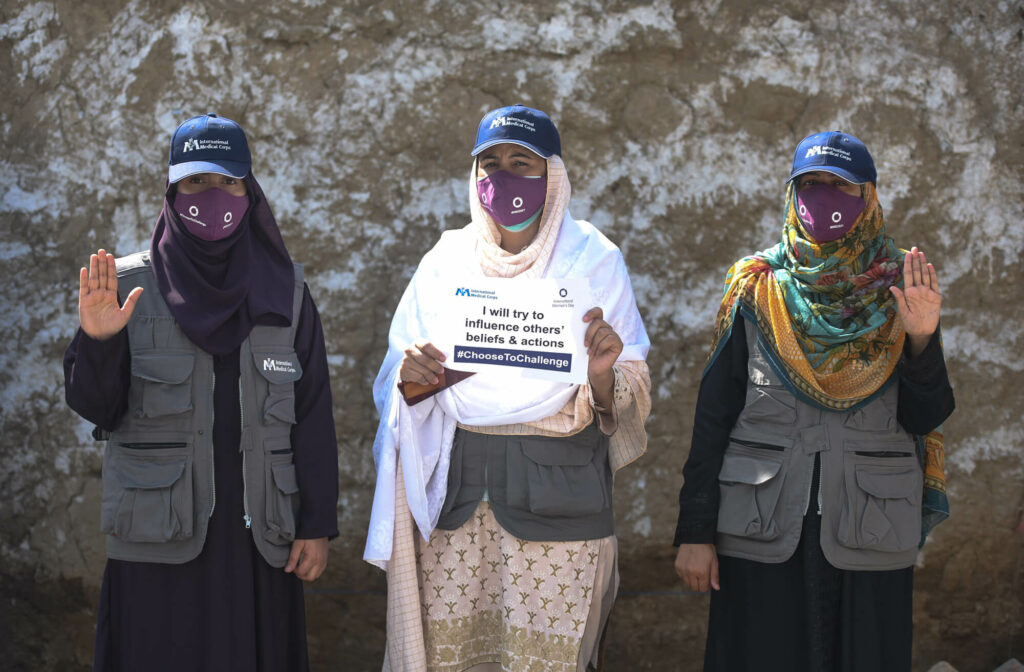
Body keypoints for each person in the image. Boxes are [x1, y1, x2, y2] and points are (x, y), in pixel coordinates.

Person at [364, 104, 652, 671]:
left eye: (523, 162)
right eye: (490, 163)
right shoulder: (445, 261)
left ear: (554, 176)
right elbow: (401, 387)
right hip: (456, 504)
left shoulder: (593, 259)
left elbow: (629, 387)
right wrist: (413, 379)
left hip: (559, 503)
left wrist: (600, 372)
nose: (504, 177)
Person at [63, 113, 339, 672]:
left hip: (260, 540)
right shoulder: (126, 287)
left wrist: (316, 524)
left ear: (249, 190)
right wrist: (97, 341)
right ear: (171, 190)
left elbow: (312, 414)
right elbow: (98, 408)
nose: (212, 197)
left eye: (227, 183)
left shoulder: (285, 291)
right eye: (195, 182)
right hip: (157, 542)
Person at [673, 130, 955, 671]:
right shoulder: (756, 286)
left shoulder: (900, 286)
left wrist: (920, 337)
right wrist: (694, 533)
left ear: (868, 196)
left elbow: (925, 416)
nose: (823, 196)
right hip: (762, 525)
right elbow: (714, 416)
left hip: (869, 528)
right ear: (791, 193)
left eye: (840, 185)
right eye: (811, 184)